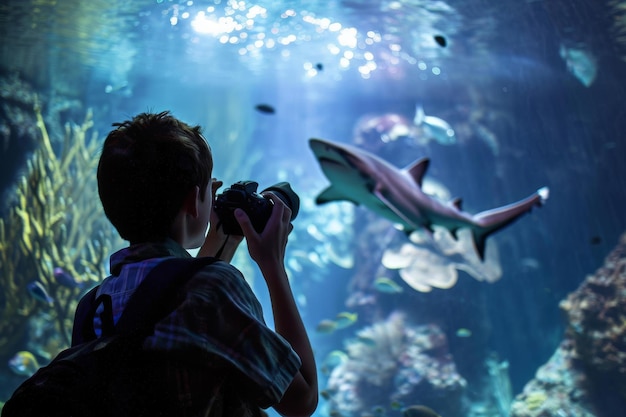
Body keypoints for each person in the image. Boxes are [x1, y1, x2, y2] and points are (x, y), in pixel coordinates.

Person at [78, 111, 318, 416]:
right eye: (209, 190)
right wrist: (273, 266)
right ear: (194, 201)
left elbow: (169, 297)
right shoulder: (216, 289)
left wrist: (224, 239)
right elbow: (302, 400)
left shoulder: (92, 307)